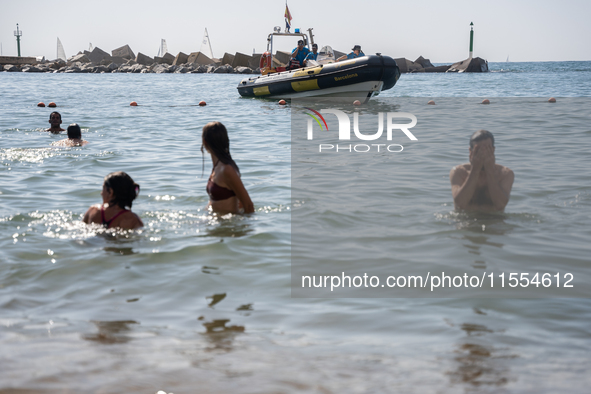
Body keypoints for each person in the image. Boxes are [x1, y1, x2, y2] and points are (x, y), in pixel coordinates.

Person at [450, 130, 514, 211]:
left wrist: (490, 171)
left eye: (487, 149)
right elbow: (460, 204)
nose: (483, 154)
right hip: (465, 221)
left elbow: (500, 205)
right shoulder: (459, 172)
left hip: (494, 221)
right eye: (478, 151)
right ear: (471, 152)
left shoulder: (505, 174)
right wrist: (475, 170)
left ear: (493, 150)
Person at [201, 121, 254, 214]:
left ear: (204, 142)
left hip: (229, 226)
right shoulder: (217, 167)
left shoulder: (226, 169)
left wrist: (244, 226)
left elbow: (248, 205)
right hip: (218, 223)